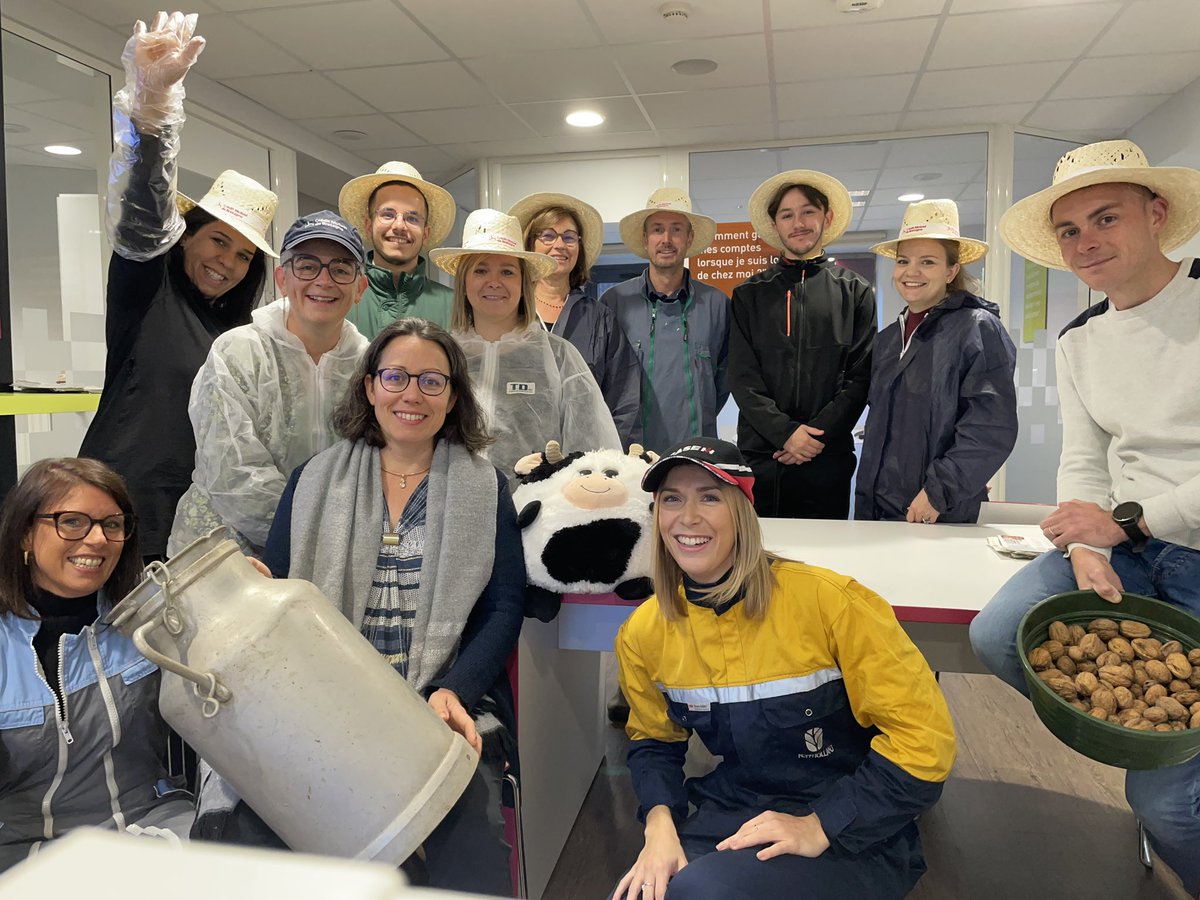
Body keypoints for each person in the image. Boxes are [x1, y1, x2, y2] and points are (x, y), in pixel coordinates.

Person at [193, 319, 525, 895]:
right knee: (260, 837)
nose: (411, 395)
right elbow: (279, 599)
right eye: (395, 376)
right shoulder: (313, 481)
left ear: (453, 396)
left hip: (437, 698)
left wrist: (455, 690)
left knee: (466, 838)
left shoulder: (486, 487)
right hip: (322, 700)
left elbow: (503, 608)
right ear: (370, 387)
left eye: (431, 381)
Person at [969, 139, 1200, 898]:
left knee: (1167, 806)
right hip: (1126, 547)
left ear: (1157, 214)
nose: (1086, 241)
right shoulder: (1079, 340)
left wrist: (1127, 525)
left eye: (1106, 218)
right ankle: (1157, 744)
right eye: (1069, 231)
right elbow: (1084, 459)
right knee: (997, 635)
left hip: (1180, 547)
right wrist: (1084, 550)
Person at [613, 438, 955, 900]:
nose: (687, 518)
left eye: (710, 497)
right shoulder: (644, 632)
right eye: (672, 499)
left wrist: (822, 824)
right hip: (734, 811)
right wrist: (659, 825)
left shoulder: (832, 603)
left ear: (743, 512)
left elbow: (924, 742)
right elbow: (653, 740)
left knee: (702, 891)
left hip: (852, 824)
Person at [78, 13, 278, 562]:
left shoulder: (237, 332)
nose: (228, 262)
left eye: (244, 255)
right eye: (218, 240)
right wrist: (154, 108)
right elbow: (143, 212)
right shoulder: (147, 292)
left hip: (198, 518)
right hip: (116, 506)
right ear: (187, 237)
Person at [0, 458, 194, 872]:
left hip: (156, 825)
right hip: (27, 850)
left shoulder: (148, 619)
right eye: (71, 522)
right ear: (24, 535)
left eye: (112, 524)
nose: (96, 539)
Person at [167, 211, 370, 557]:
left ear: (359, 288)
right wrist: (316, 537)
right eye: (307, 266)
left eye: (340, 269)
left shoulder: (369, 366)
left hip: (329, 557)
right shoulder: (239, 352)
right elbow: (233, 474)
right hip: (224, 557)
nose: (324, 280)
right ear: (282, 279)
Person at [855, 199, 1017, 524]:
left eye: (927, 262)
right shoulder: (888, 339)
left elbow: (990, 428)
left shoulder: (977, 328)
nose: (911, 272)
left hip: (938, 510)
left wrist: (938, 492)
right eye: (903, 261)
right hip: (877, 507)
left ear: (951, 270)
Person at [728, 170, 875, 520]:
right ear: (775, 224)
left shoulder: (855, 291)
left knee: (822, 564)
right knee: (760, 562)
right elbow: (742, 379)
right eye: (787, 215)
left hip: (827, 459)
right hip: (762, 459)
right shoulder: (749, 295)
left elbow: (860, 378)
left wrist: (810, 439)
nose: (799, 223)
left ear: (827, 217)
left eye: (808, 211)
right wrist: (785, 434)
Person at [433, 208, 620, 479]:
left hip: (535, 512)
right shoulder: (441, 356)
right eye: (481, 270)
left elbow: (592, 450)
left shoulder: (558, 356)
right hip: (454, 508)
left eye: (507, 272)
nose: (494, 282)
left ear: (524, 282)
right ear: (463, 282)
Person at [600, 189, 729, 454]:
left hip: (696, 455)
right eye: (658, 229)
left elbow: (723, 383)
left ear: (690, 238)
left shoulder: (717, 305)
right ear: (645, 239)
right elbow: (605, 384)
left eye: (676, 230)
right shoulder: (614, 302)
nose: (666, 239)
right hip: (630, 458)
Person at [509, 191, 642, 447]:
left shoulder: (599, 319)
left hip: (584, 465)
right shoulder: (509, 312)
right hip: (519, 458)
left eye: (569, 237)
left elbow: (624, 398)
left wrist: (608, 460)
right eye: (548, 235)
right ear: (530, 245)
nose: (559, 245)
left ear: (579, 248)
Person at [337, 161, 456, 337]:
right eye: (388, 215)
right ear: (368, 226)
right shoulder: (338, 296)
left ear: (425, 233)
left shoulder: (454, 306)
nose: (399, 226)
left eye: (412, 218)